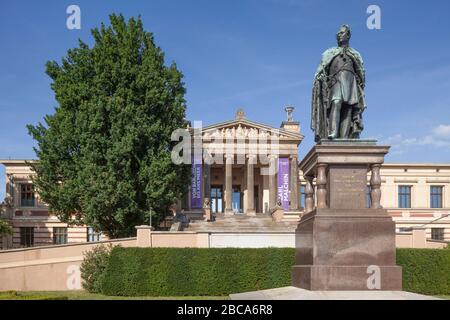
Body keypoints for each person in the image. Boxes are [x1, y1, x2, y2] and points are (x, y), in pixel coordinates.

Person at [311, 24, 366, 142]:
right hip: (336, 82)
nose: (339, 35)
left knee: (349, 107)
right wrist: (319, 77)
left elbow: (361, 72)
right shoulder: (330, 52)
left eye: (341, 33)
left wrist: (361, 84)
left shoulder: (355, 53)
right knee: (336, 102)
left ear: (348, 35)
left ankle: (344, 137)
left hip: (351, 82)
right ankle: (333, 132)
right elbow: (321, 69)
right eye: (338, 34)